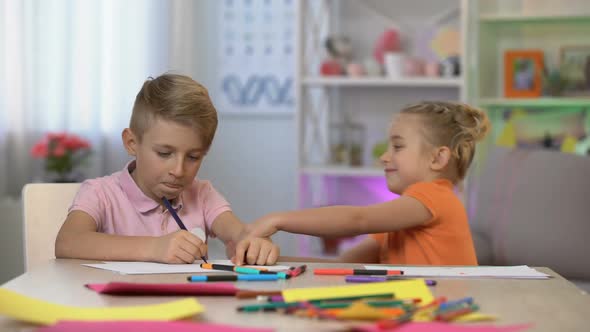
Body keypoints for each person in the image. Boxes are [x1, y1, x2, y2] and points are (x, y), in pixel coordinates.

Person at [55, 73, 279, 265]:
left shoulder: (202, 194)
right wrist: (153, 248)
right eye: (164, 153)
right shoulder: (100, 193)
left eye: (193, 157)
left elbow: (238, 233)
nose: (179, 170)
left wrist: (254, 243)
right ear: (132, 143)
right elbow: (68, 242)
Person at [245, 101, 490, 265]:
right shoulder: (401, 222)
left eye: (398, 146)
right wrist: (273, 264)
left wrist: (277, 220)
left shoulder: (435, 196)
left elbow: (357, 220)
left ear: (438, 158)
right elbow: (344, 266)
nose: (384, 157)